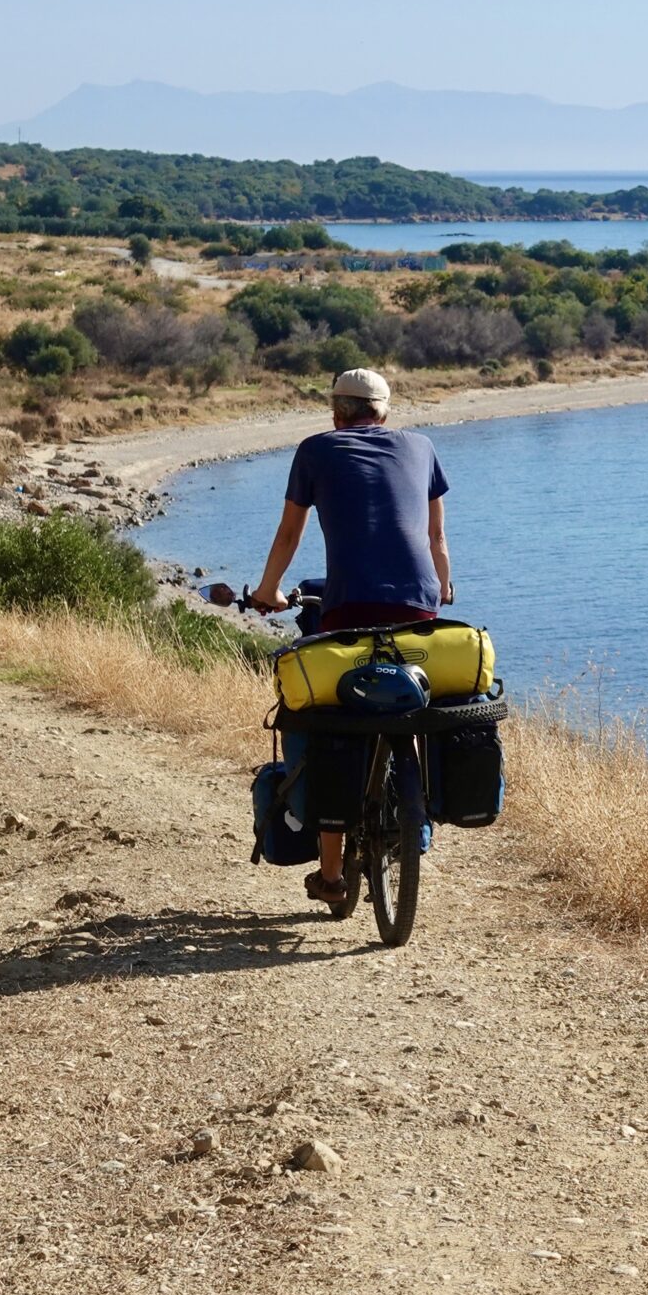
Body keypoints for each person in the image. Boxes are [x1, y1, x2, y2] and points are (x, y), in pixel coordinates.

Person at [247, 368, 453, 907]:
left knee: (335, 728)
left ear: (335, 412)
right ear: (384, 412)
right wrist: (444, 587)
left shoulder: (316, 449)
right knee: (416, 701)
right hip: (420, 603)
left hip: (348, 608)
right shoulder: (422, 446)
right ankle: (416, 816)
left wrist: (267, 591)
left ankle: (333, 875)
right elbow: (435, 536)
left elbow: (290, 533)